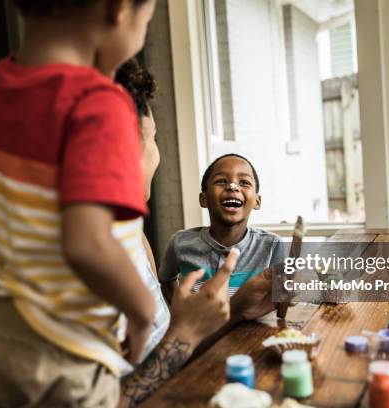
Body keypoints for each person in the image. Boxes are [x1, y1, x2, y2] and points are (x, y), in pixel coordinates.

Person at [0, 1, 163, 406]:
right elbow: (86, 244)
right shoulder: (100, 104)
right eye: (146, 21)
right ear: (120, 9)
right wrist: (142, 314)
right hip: (65, 354)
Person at [114, 60, 279, 407]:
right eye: (153, 138)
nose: (157, 155)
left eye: (243, 182)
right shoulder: (55, 269)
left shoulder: (133, 237)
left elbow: (167, 355)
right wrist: (190, 328)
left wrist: (232, 311)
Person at [159, 154, 285, 302]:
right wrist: (180, 309)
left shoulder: (272, 245)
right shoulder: (179, 243)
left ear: (257, 201)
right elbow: (165, 280)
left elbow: (280, 297)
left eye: (244, 182)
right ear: (204, 199)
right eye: (221, 181)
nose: (233, 186)